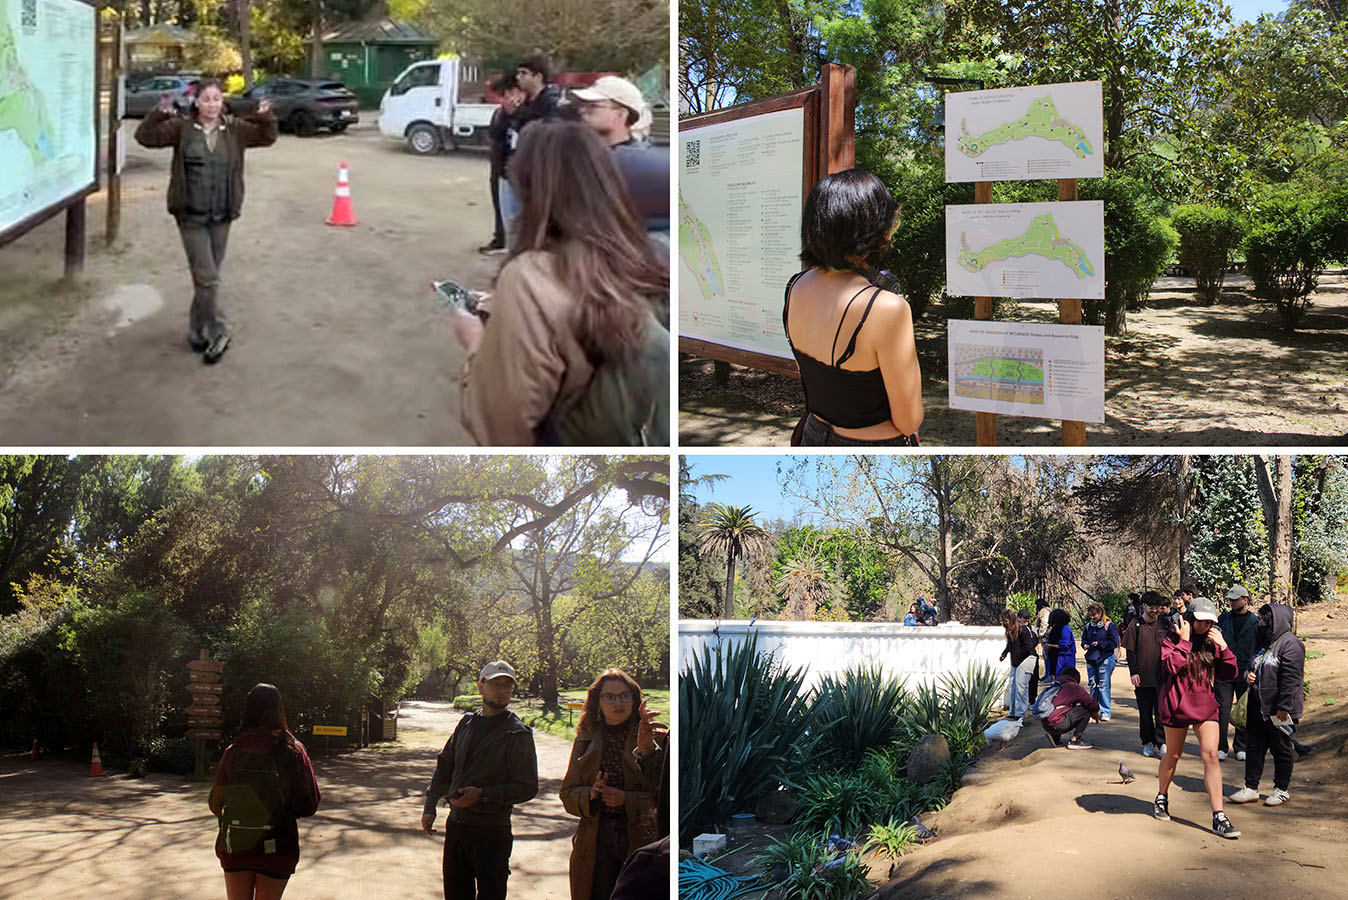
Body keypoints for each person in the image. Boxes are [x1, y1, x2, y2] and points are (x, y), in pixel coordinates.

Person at [453, 121, 669, 446]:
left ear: (529, 189)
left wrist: (474, 344)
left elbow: (499, 431)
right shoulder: (651, 255)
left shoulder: (528, 277)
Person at [134, 78, 277, 364]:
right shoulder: (182, 128)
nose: (212, 104)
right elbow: (145, 137)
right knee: (208, 278)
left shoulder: (234, 129)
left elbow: (266, 136)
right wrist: (160, 111)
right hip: (191, 216)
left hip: (222, 214)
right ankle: (219, 330)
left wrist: (265, 115)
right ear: (196, 102)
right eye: (206, 99)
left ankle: (198, 331)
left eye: (217, 99)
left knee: (206, 280)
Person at [783, 169, 923, 446]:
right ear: (875, 228)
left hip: (812, 433)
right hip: (870, 445)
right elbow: (909, 420)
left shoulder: (796, 286)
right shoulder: (886, 308)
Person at [422, 661, 539, 900]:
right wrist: (429, 806)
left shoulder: (518, 734)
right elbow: (445, 765)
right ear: (480, 686)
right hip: (457, 826)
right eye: (496, 683)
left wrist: (484, 794)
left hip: (492, 832)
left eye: (507, 685)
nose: (502, 689)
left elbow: (527, 787)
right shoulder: (466, 724)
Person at [559, 669, 667, 900]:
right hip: (596, 841)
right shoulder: (586, 739)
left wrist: (625, 798)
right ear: (597, 703)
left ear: (634, 699)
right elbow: (567, 793)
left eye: (624, 695)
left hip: (640, 840)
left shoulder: (653, 737)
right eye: (609, 697)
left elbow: (664, 798)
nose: (618, 702)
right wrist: (591, 793)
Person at [209, 683, 321, 900]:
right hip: (278, 847)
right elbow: (310, 804)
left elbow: (215, 803)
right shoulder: (293, 751)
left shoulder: (234, 751)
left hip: (236, 846)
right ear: (279, 710)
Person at [1154, 597, 1241, 839]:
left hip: (1205, 706)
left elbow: (1228, 673)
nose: (1204, 626)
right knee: (1172, 755)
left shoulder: (1213, 642)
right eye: (1200, 621)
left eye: (1209, 622)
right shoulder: (1171, 637)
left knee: (1211, 755)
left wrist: (1224, 648)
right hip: (1176, 706)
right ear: (1190, 617)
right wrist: (1184, 641)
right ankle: (1162, 796)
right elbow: (1171, 666)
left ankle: (1219, 816)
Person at [571, 75, 669, 243]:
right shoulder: (583, 156)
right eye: (582, 106)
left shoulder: (635, 165)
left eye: (593, 106)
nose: (582, 112)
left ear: (621, 114)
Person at [1230, 602, 1305, 807]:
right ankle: (1251, 788)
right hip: (1257, 706)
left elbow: (1291, 681)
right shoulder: (1263, 641)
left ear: (1276, 621)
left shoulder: (1291, 644)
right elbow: (1249, 664)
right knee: (1254, 746)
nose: (1260, 623)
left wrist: (1284, 708)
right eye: (1260, 619)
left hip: (1279, 710)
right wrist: (1248, 676)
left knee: (1281, 748)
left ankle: (1281, 789)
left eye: (1264, 620)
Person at [498, 55, 562, 236]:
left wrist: (516, 114)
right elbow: (498, 134)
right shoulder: (522, 101)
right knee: (513, 223)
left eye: (524, 73)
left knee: (533, 226)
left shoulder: (550, 103)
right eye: (518, 73)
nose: (519, 77)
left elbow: (541, 135)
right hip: (512, 169)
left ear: (538, 77)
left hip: (535, 175)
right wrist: (506, 113)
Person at [480, 75, 527, 254]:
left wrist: (515, 113)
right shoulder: (500, 113)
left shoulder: (524, 114)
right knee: (500, 205)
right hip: (499, 166)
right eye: (505, 94)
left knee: (517, 211)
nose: (508, 98)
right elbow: (495, 135)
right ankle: (500, 238)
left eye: (512, 93)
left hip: (515, 169)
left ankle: (514, 244)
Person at [1121, 591, 1169, 757]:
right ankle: (1147, 742)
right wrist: (1133, 672)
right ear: (1144, 606)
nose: (1154, 610)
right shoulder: (1135, 625)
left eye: (1157, 607)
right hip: (1142, 678)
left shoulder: (1165, 624)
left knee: (1162, 713)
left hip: (1162, 677)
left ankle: (1162, 742)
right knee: (1145, 714)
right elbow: (1130, 651)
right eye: (1151, 607)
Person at [1215, 584, 1259, 761]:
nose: (1232, 603)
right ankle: (1221, 746)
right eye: (1230, 600)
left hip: (1245, 670)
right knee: (1222, 708)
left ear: (1245, 600)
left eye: (1235, 600)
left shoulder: (1255, 622)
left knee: (1244, 709)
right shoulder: (1223, 619)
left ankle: (1241, 745)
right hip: (1224, 669)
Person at [1040, 668, 1100, 749]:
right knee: (1086, 710)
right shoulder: (1073, 687)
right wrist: (1095, 713)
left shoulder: (1054, 685)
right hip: (1058, 724)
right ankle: (1075, 740)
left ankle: (1055, 738)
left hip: (1046, 725)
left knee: (1059, 709)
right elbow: (1092, 702)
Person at [1082, 602, 1121, 721]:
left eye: (1094, 615)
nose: (1092, 617)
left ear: (1100, 613)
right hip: (1091, 658)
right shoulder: (1088, 626)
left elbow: (1114, 643)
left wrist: (1100, 644)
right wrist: (1084, 644)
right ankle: (1092, 710)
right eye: (1090, 615)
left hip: (1104, 658)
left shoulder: (1109, 626)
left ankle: (1105, 711)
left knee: (1103, 685)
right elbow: (1084, 638)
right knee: (1093, 684)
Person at [999, 609, 1038, 719]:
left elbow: (1028, 647)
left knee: (1021, 686)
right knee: (1013, 686)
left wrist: (1018, 657)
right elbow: (1010, 645)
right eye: (1003, 621)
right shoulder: (1011, 631)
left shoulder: (1023, 630)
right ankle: (1013, 712)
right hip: (1016, 660)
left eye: (1006, 621)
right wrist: (1005, 653)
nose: (1004, 623)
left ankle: (1020, 714)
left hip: (1027, 659)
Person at [1019, 608, 1042, 703]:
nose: (1026, 620)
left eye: (1028, 618)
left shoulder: (1032, 630)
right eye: (1024, 618)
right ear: (1018, 618)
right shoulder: (1017, 630)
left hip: (1033, 657)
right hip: (1023, 659)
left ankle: (1032, 700)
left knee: (1034, 679)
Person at [1045, 608, 1076, 677]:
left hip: (1065, 658)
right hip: (1055, 658)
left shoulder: (1065, 629)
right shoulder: (1054, 629)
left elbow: (1064, 645)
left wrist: (1051, 645)